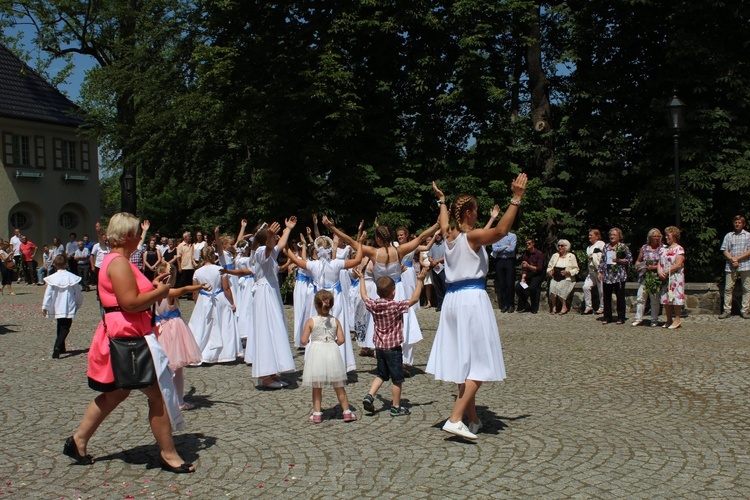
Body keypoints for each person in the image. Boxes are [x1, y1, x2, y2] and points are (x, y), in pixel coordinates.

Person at [65, 212, 194, 474]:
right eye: (137, 232)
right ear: (128, 236)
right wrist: (161, 291)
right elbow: (130, 303)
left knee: (116, 392)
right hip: (129, 339)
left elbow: (131, 296)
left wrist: (153, 286)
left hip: (125, 336)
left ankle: (78, 440)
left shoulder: (117, 261)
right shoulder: (119, 263)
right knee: (156, 396)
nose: (140, 237)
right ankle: (168, 454)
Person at [427, 174, 527, 440]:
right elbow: (501, 232)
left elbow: (445, 220)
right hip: (471, 298)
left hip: (451, 300)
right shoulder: (472, 238)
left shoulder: (448, 236)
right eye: (476, 212)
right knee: (480, 363)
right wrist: (516, 199)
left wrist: (442, 201)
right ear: (469, 213)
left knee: (464, 362)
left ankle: (473, 419)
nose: (478, 216)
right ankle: (455, 418)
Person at [283, 231, 365, 372]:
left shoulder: (313, 265)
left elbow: (296, 260)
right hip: (336, 300)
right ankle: (339, 364)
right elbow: (357, 260)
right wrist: (361, 243)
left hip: (319, 300)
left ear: (316, 250)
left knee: (318, 330)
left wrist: (285, 247)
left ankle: (318, 364)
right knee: (337, 329)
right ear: (330, 248)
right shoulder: (336, 263)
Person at [357, 267, 426, 416]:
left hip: (379, 348)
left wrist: (362, 278)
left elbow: (363, 295)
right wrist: (420, 281)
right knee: (397, 379)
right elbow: (414, 299)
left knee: (381, 374)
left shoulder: (374, 305)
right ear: (393, 292)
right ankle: (395, 407)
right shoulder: (396, 306)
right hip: (393, 348)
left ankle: (370, 395)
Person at [251, 219, 297, 388]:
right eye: (272, 236)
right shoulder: (260, 251)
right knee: (266, 330)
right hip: (264, 294)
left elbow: (279, 245)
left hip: (271, 292)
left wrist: (288, 229)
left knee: (275, 329)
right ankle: (264, 375)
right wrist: (271, 235)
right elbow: (270, 247)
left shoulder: (268, 250)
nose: (276, 238)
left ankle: (271, 371)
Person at [154, 262, 206, 410]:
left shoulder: (152, 292)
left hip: (158, 330)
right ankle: (179, 401)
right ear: (170, 279)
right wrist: (199, 287)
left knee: (163, 367)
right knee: (176, 369)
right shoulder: (168, 293)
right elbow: (184, 289)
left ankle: (164, 398)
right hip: (173, 331)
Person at [301, 290, 357, 423]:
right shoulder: (335, 320)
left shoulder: (311, 321)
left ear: (315, 305)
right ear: (331, 305)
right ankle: (347, 412)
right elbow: (342, 339)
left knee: (317, 385)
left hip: (317, 352)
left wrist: (310, 341)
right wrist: (333, 343)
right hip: (331, 350)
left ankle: (317, 413)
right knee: (338, 384)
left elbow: (303, 340)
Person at [189, 245, 240, 364]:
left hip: (204, 300)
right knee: (222, 326)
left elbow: (195, 291)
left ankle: (203, 352)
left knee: (204, 327)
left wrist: (198, 304)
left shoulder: (197, 272)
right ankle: (224, 354)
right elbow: (226, 288)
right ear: (213, 256)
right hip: (219, 300)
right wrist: (232, 302)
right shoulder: (220, 270)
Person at [42, 255, 83, 358]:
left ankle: (61, 347)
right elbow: (77, 292)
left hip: (57, 305)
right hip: (68, 304)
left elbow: (48, 294)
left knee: (60, 325)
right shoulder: (71, 277)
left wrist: (45, 306)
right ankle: (57, 347)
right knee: (65, 327)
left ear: (55, 265)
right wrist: (78, 303)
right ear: (66, 264)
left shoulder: (53, 278)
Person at [597, 228, 632, 325]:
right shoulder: (606, 247)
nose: (612, 236)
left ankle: (621, 317)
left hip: (619, 276)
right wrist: (600, 272)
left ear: (619, 236)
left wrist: (619, 260)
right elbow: (602, 260)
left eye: (614, 235)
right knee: (606, 297)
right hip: (608, 275)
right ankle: (607, 317)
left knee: (620, 297)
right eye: (611, 235)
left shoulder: (623, 247)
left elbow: (629, 259)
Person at [632, 229, 665, 327]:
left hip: (655, 276)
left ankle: (654, 319)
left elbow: (663, 264)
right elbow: (638, 260)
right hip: (644, 276)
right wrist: (638, 266)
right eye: (654, 236)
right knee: (640, 297)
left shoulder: (662, 248)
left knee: (654, 299)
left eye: (658, 236)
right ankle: (638, 318)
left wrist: (653, 267)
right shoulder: (644, 248)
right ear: (649, 237)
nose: (656, 238)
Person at [719, 215, 750, 319]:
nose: (737, 224)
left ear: (743, 224)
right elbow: (724, 249)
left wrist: (737, 258)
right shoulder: (729, 236)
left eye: (739, 222)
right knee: (728, 288)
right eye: (736, 222)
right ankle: (727, 310)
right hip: (731, 266)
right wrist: (732, 259)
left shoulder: (748, 235)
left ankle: (745, 310)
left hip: (745, 265)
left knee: (746, 288)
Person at [659, 226, 686, 329]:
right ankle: (668, 319)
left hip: (675, 277)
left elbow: (678, 264)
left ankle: (677, 319)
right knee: (666, 298)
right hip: (665, 277)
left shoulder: (679, 249)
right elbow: (659, 262)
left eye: (668, 235)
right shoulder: (663, 249)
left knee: (675, 297)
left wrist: (667, 271)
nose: (666, 237)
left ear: (674, 236)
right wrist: (660, 272)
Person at [546, 239, 579, 314]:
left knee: (560, 288)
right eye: (558, 246)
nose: (560, 247)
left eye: (562, 246)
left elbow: (576, 269)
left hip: (566, 278)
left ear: (566, 247)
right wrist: (549, 271)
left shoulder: (571, 256)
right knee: (552, 289)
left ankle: (564, 306)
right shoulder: (555, 255)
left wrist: (568, 272)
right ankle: (554, 306)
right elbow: (549, 266)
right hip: (556, 277)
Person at [515, 238, 545, 313]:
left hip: (537, 274)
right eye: (526, 244)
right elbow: (524, 268)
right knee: (518, 287)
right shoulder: (525, 254)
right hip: (528, 274)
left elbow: (539, 269)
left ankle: (534, 308)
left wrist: (528, 266)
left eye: (529, 243)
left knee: (532, 288)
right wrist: (523, 278)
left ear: (533, 243)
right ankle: (525, 305)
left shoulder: (539, 254)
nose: (527, 245)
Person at [492, 230, 517, 313]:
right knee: (502, 284)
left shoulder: (512, 236)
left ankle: (511, 305)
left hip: (509, 261)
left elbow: (512, 249)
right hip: (499, 261)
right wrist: (505, 246)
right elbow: (494, 249)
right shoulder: (496, 236)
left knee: (510, 284)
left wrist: (500, 248)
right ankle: (505, 304)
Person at [582, 229, 605, 314]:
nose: (589, 237)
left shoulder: (601, 244)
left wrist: (594, 256)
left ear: (597, 236)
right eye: (589, 235)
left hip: (599, 270)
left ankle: (602, 307)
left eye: (591, 235)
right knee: (586, 287)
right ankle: (588, 306)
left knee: (601, 290)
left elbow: (603, 256)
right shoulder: (589, 247)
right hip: (592, 271)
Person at [428, 232, 447, 311]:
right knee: (437, 288)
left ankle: (446, 304)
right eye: (436, 235)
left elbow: (447, 255)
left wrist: (437, 261)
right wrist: (432, 261)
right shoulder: (433, 245)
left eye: (439, 235)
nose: (438, 236)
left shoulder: (445, 244)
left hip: (443, 268)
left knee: (445, 287)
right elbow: (429, 256)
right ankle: (440, 304)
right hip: (435, 269)